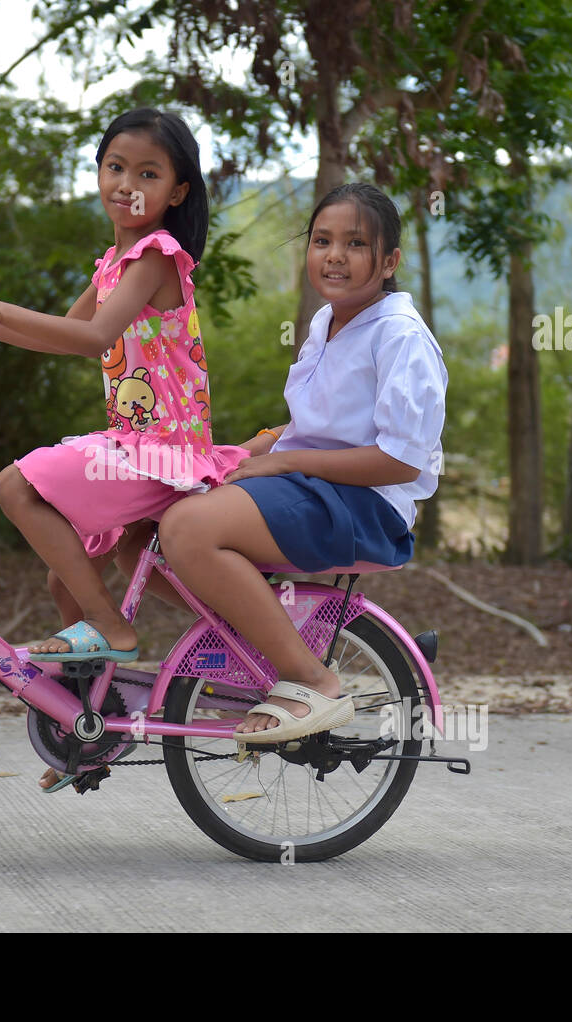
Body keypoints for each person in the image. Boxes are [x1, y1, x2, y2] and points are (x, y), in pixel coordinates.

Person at [0, 109, 248, 784]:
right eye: (116, 168)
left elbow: (88, 338)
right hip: (135, 444)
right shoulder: (114, 261)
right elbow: (59, 330)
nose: (128, 185)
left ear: (177, 192)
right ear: (99, 174)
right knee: (65, 572)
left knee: (15, 486)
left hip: (160, 447)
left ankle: (113, 629)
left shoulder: (155, 256)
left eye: (148, 173)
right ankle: (89, 725)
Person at [157, 181, 448, 744]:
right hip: (313, 490)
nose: (335, 255)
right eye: (322, 240)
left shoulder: (399, 336)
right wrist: (241, 454)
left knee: (187, 530)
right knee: (144, 521)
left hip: (365, 508)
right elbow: (310, 428)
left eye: (356, 244)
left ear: (389, 261)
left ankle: (311, 677)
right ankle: (252, 660)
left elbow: (400, 461)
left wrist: (288, 466)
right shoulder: (326, 322)